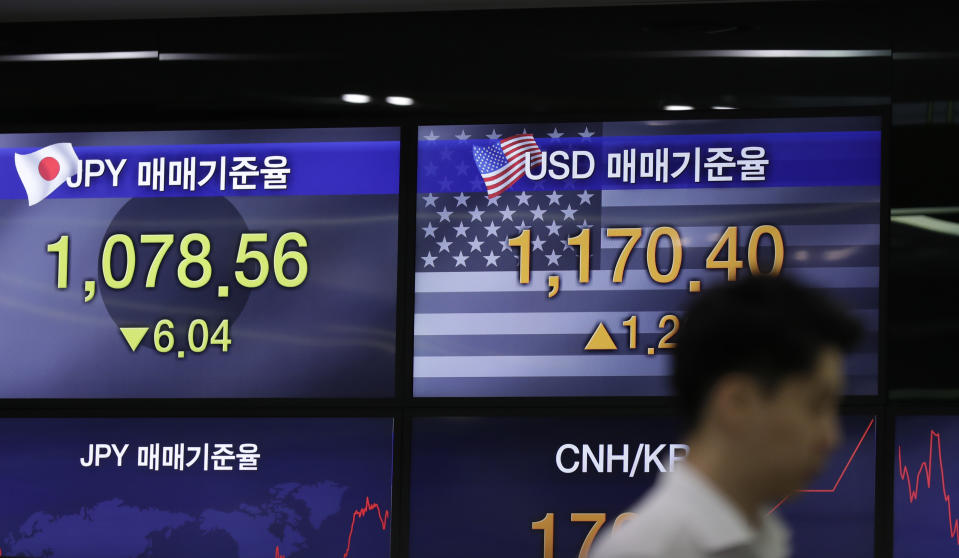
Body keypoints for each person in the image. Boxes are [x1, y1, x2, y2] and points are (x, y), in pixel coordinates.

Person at [591, 276, 862, 558]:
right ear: (737, 403)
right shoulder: (646, 551)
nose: (831, 438)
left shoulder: (765, 540)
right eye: (815, 406)